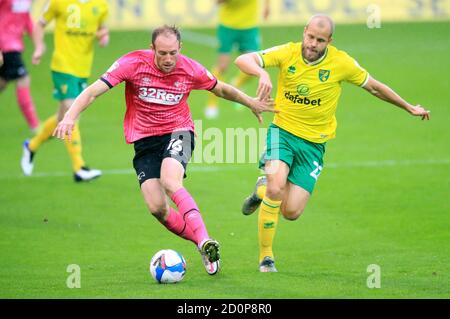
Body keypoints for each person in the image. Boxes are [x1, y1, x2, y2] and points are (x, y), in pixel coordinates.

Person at [52, 25, 276, 275]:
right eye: (162, 54)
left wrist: (251, 103)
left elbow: (221, 88)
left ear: (180, 48)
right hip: (145, 140)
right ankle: (202, 244)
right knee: (157, 208)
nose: (168, 59)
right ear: (152, 50)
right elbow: (94, 91)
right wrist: (70, 116)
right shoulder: (132, 63)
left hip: (179, 132)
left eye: (172, 53)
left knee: (171, 182)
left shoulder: (190, 68)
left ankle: (203, 239)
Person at [235, 14, 431, 272]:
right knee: (276, 186)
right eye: (310, 37)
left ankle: (261, 190)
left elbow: (373, 87)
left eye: (320, 40)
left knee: (291, 211)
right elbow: (243, 59)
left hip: (314, 145)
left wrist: (407, 107)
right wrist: (261, 73)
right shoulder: (288, 52)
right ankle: (266, 257)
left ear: (329, 41)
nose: (313, 44)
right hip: (282, 133)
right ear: (304, 31)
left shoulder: (341, 62)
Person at [20, 0, 109, 182]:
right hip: (62, 66)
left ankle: (32, 146)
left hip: (83, 69)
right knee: (72, 113)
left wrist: (103, 37)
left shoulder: (101, 5)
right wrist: (38, 47)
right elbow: (40, 24)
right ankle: (80, 167)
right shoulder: (57, 2)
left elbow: (103, 31)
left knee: (63, 117)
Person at [204, 0, 271, 119]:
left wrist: (267, 6)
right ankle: (212, 103)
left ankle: (237, 84)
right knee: (222, 66)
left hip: (249, 26)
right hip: (228, 26)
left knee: (254, 65)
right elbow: (218, 2)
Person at [0, 0, 40, 132]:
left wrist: (38, 44)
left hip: (13, 47)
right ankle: (35, 125)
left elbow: (26, 19)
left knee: (2, 83)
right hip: (6, 46)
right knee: (23, 79)